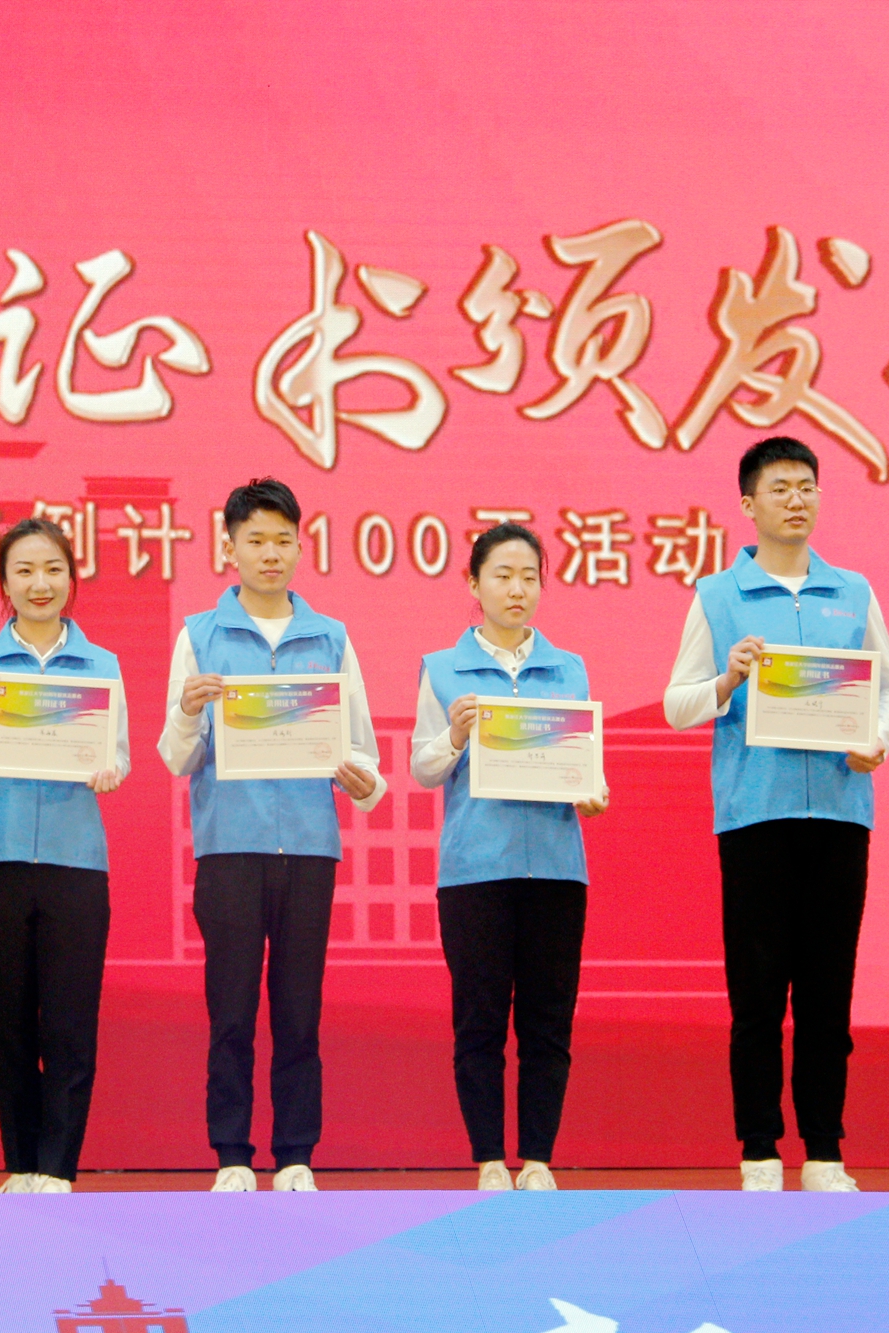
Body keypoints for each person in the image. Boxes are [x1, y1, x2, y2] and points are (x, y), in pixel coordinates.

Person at [663, 435, 889, 1192]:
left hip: (839, 814)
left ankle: (826, 1151)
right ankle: (761, 1150)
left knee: (830, 991)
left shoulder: (853, 591)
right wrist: (726, 680)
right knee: (759, 993)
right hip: (755, 819)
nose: (796, 499)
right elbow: (676, 704)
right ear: (748, 503)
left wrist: (876, 740)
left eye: (807, 486)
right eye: (779, 487)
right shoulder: (718, 595)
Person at [159, 477, 386, 1192]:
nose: (270, 553)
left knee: (298, 1011)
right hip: (230, 848)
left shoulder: (331, 637)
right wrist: (188, 711)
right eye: (254, 539)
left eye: (283, 540)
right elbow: (176, 758)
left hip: (309, 850)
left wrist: (362, 781)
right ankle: (232, 1154)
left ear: (299, 546)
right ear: (228, 547)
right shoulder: (200, 636)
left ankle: (294, 1155)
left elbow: (364, 754)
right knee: (230, 1011)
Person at [409, 523, 608, 1192]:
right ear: (473, 582)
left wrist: (593, 792)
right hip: (476, 870)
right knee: (481, 1019)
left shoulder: (569, 667)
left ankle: (540, 1160)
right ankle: (491, 1158)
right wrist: (455, 735)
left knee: (548, 1021)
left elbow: (584, 765)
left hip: (556, 869)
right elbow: (423, 768)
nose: (517, 589)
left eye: (529, 576)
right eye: (502, 575)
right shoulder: (443, 669)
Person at [0, 518, 129, 1195]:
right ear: (4, 582)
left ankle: (58, 1167)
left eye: (52, 568)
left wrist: (107, 771)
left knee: (71, 1022)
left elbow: (118, 755)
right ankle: (21, 1164)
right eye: (23, 571)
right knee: (8, 1022)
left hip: (75, 863)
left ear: (71, 578)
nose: (39, 583)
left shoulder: (101, 665)